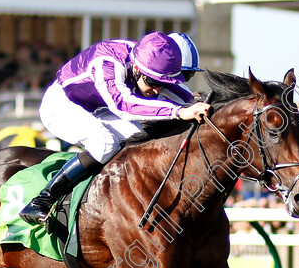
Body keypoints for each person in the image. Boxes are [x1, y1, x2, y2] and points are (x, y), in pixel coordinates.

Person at [19, 32, 211, 230]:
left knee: (143, 140)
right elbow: (122, 105)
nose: (156, 91)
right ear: (137, 68)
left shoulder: (147, 62)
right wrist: (179, 111)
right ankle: (42, 200)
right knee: (104, 142)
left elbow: (184, 97)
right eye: (153, 83)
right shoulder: (107, 62)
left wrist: (205, 106)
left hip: (98, 108)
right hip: (63, 105)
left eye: (162, 84)